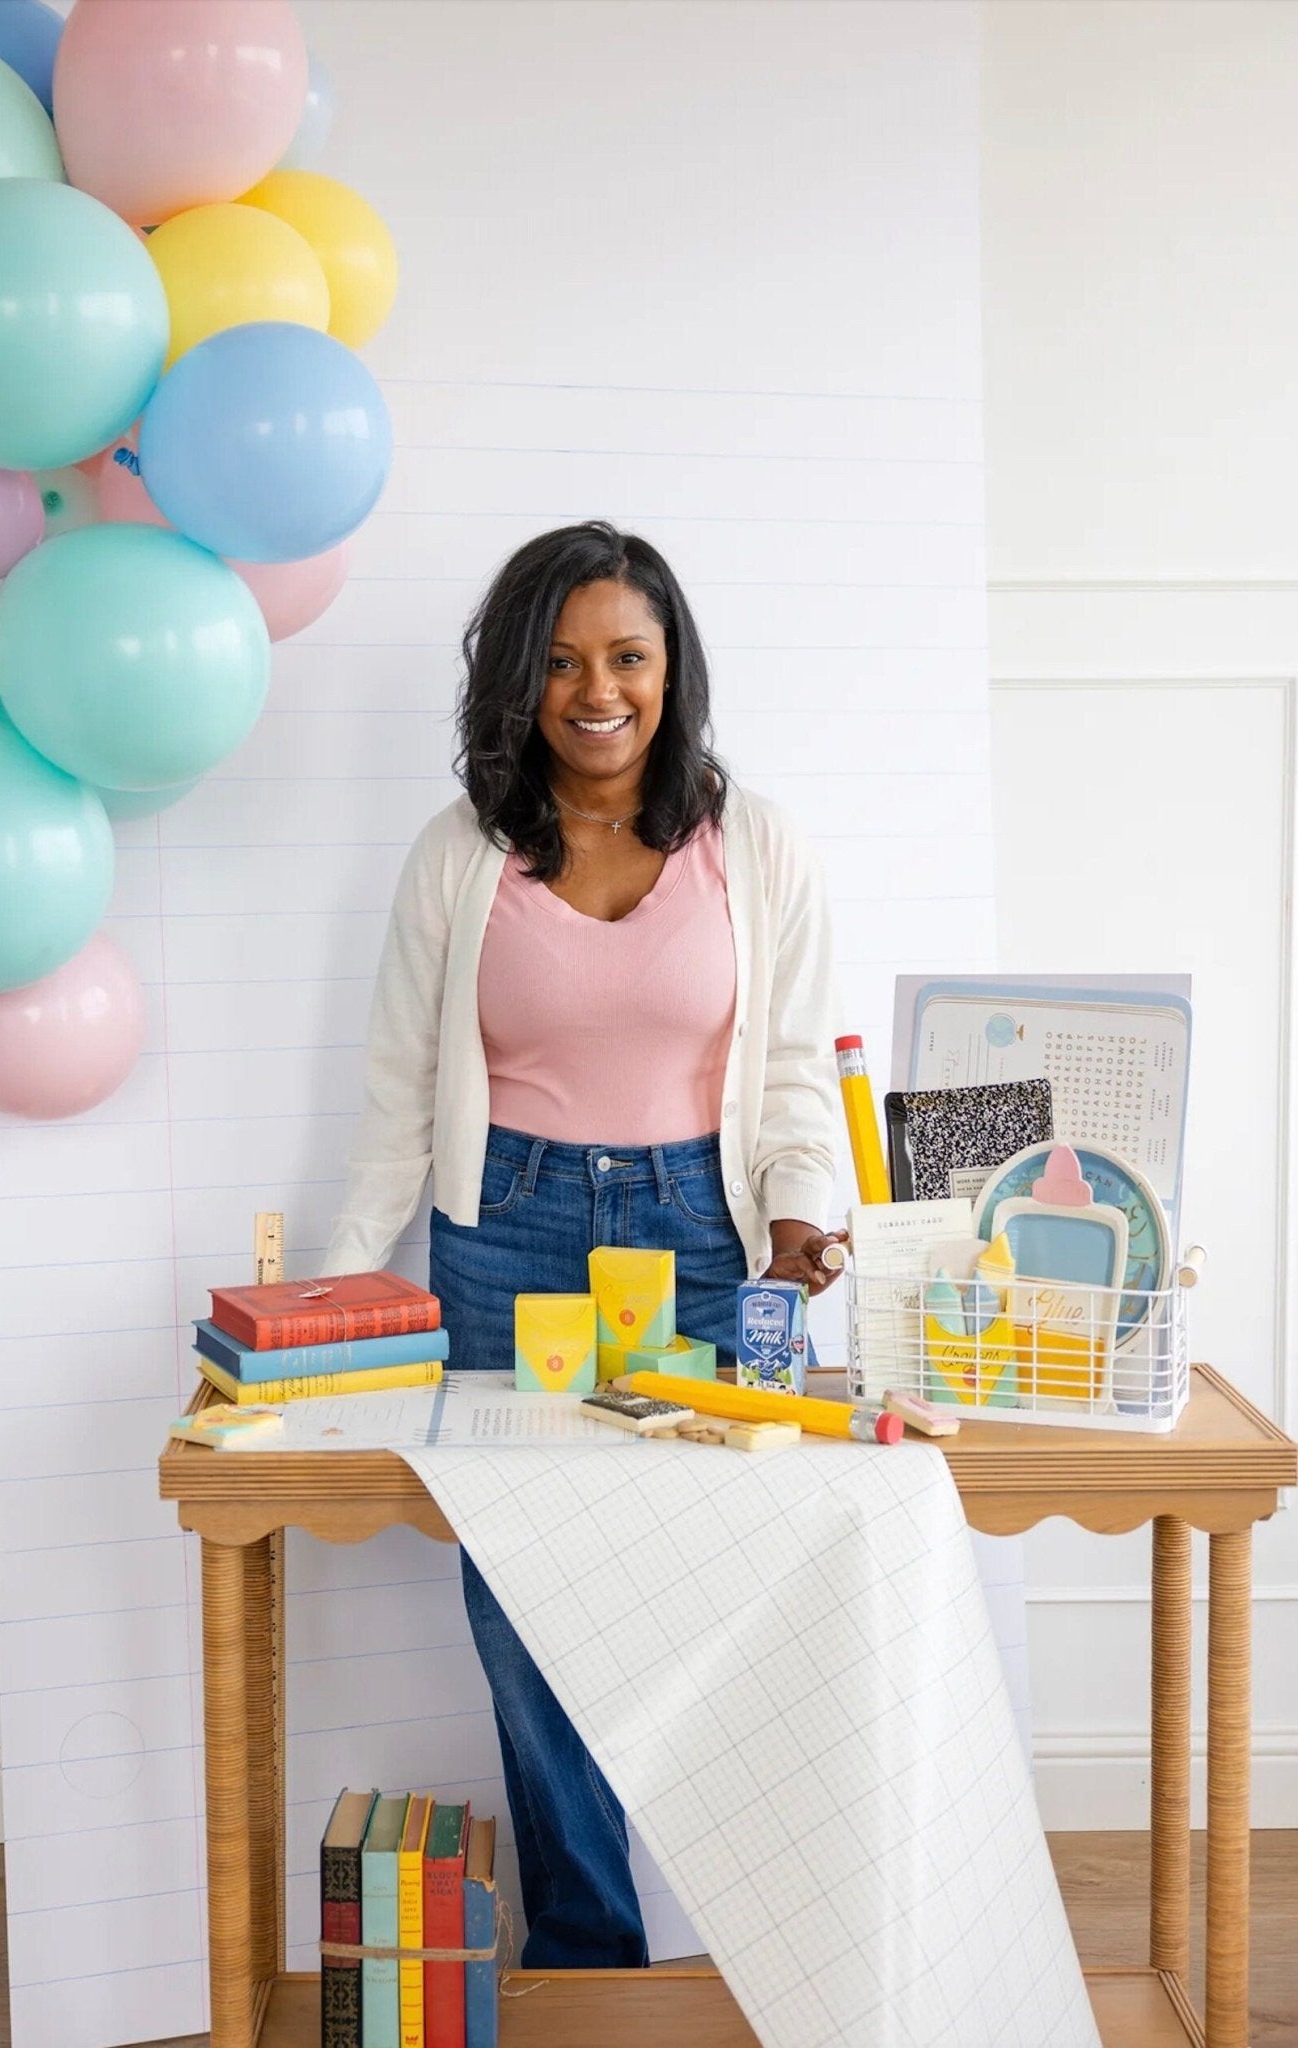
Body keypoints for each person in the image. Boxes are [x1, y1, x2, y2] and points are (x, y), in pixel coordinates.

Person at [322, 519, 846, 1969]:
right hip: (509, 1239)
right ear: (516, 680)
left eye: (625, 655)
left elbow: (794, 1065)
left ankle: (766, 1929)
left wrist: (807, 1209)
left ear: (673, 669)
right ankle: (587, 1953)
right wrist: (344, 1290)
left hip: (699, 1234)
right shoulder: (461, 856)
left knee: (715, 1574)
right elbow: (392, 1097)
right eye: (558, 661)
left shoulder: (758, 844)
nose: (594, 689)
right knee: (524, 1594)